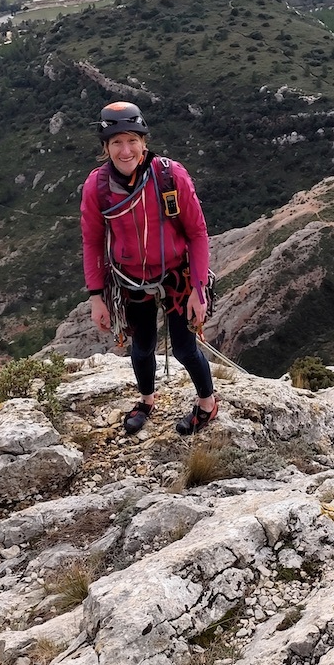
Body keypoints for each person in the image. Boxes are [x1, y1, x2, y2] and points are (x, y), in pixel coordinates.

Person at [80, 101, 218, 436]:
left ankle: (207, 404)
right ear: (106, 147)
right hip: (130, 279)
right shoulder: (97, 187)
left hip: (177, 275)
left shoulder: (170, 177)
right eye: (116, 142)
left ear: (144, 142)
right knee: (141, 348)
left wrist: (199, 289)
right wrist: (97, 297)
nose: (125, 150)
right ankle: (146, 401)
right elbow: (92, 242)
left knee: (185, 348)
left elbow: (197, 233)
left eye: (132, 140)